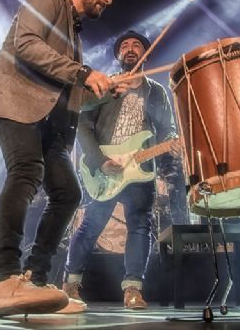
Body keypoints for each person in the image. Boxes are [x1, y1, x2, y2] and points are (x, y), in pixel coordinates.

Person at [0, 0, 125, 316]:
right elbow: (26, 44)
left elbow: (70, 94)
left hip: (49, 122)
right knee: (26, 172)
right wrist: (84, 72)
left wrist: (104, 92)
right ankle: (1, 278)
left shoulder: (74, 36)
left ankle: (35, 279)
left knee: (68, 193)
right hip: (14, 103)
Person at [62, 30, 187, 310]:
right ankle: (71, 283)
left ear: (145, 54)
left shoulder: (156, 92)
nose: (130, 49)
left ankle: (133, 289)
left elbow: (167, 128)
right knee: (91, 225)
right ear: (118, 55)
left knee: (140, 226)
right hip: (105, 168)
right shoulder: (107, 86)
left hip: (141, 169)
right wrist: (100, 161)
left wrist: (171, 142)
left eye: (136, 45)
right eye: (125, 46)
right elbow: (83, 125)